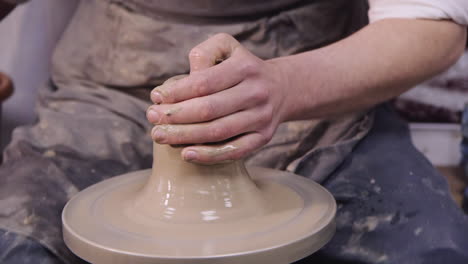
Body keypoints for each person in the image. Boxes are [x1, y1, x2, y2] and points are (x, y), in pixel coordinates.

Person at [1, 0, 468, 263]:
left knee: (424, 249)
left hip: (316, 84)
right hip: (106, 93)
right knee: (15, 245)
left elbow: (432, 22)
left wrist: (285, 87)